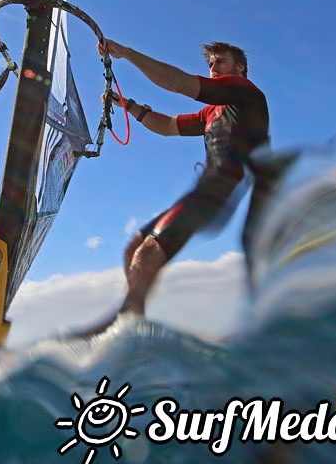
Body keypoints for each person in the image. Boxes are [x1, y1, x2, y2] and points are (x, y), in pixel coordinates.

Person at [79, 39, 271, 335]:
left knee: (146, 254)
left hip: (219, 188)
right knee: (133, 250)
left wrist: (128, 53)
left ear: (240, 68)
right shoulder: (212, 113)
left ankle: (124, 328)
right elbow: (168, 126)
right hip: (204, 189)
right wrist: (130, 107)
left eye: (220, 62)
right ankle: (136, 324)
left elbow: (179, 84)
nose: (213, 68)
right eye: (210, 64)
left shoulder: (245, 92)